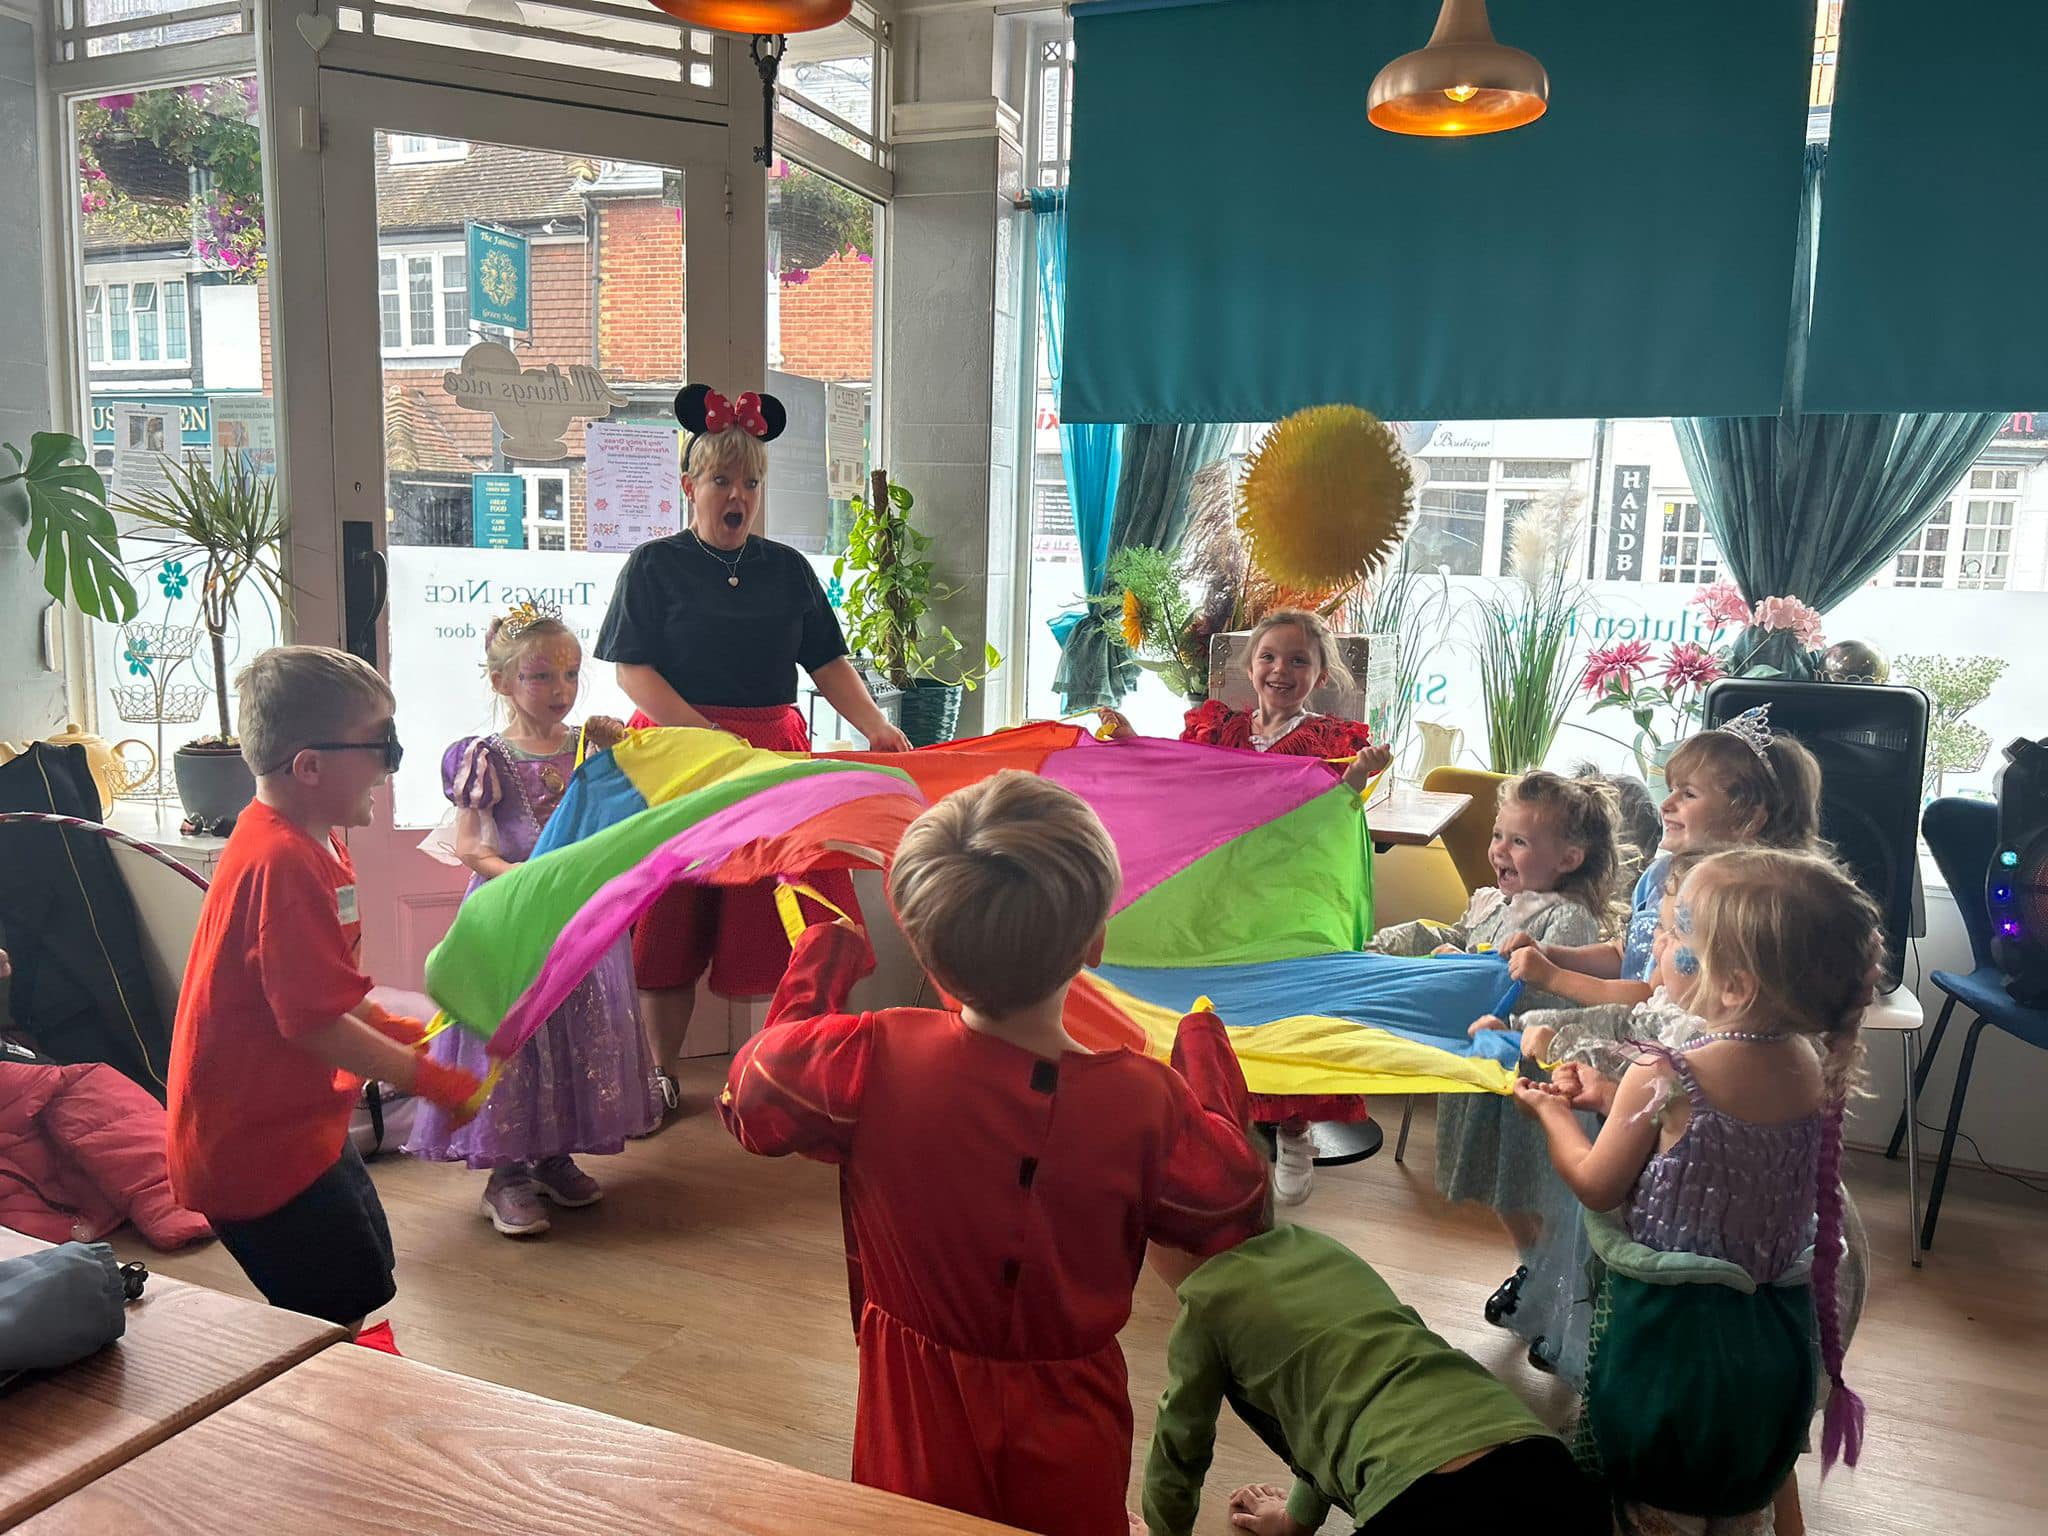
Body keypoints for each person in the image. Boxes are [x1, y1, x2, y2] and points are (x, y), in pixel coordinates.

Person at [718, 771, 1269, 1536]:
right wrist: (1204, 1051)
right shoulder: (1150, 1102)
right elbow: (1232, 1198)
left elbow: (753, 1091)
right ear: (1095, 942)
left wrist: (823, 958)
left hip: (913, 1412)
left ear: (922, 947)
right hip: (1072, 1416)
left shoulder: (866, 1059)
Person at [1513, 846, 1878, 1535]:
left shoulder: (1665, 1075)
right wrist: (1610, 1098)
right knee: (1733, 1502)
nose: (1657, 940)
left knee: (1657, 1506)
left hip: (1671, 1350)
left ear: (1733, 986)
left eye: (1676, 930)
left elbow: (1596, 1184)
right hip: (1765, 1346)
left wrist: (1553, 1115)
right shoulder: (1807, 1063)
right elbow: (1705, 1137)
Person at [595, 383, 912, 1115]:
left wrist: (874, 725)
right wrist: (706, 738)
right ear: (690, 486)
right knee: (670, 924)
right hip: (679, 759)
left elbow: (826, 661)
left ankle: (779, 1075)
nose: (737, 495)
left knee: (790, 921)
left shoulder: (787, 569)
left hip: (770, 760)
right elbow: (632, 669)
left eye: (750, 482)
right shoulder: (652, 566)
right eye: (721, 480)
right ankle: (660, 1076)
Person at [1483, 710, 1827, 1372]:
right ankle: (1560, 1297)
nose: (1666, 804)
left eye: (1688, 793)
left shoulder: (1733, 911)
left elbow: (1657, 991)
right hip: (1641, 1055)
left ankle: (1591, 1322)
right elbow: (1630, 954)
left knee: (1627, 1189)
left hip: (1658, 1047)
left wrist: (1553, 980)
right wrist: (1557, 956)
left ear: (1749, 816)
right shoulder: (1663, 877)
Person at [165, 646, 482, 1328]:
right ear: (309, 767)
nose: (391, 764)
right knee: (332, 1303)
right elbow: (311, 1023)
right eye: (380, 746)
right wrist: (431, 1080)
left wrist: (396, 1028)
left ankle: (361, 1376)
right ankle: (338, 1390)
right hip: (252, 1144)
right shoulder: (282, 862)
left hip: (301, 1121)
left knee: (369, 1271)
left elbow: (320, 985)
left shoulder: (315, 843)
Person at [1103, 608, 1393, 1200]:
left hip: (1291, 901)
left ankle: (1295, 1129)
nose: (1280, 670)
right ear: (1249, 665)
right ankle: (1216, 1126)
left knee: (1287, 1009)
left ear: (1320, 675)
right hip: (1220, 899)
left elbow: (1334, 810)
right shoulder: (1216, 729)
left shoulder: (1334, 741)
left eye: (1298, 660)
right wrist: (1131, 744)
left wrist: (1358, 776)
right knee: (1219, 1010)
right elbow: (1178, 776)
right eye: (1269, 657)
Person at [406, 604, 660, 1235]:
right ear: (502, 682)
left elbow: (617, 819)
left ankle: (553, 1155)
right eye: (541, 676)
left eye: (570, 675)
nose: (560, 690)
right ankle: (506, 1173)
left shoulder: (588, 746)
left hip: (576, 916)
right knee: (516, 1035)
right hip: (513, 911)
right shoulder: (485, 755)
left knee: (576, 1032)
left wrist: (617, 758)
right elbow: (471, 845)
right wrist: (521, 880)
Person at [1140, 1221, 1606, 1536]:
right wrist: (1295, 1521)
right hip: (1539, 1460)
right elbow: (1333, 1407)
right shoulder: (1317, 1248)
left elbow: (1178, 1452)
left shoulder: (1204, 1307)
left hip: (1426, 1503)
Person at [1372, 772, 1619, 1246]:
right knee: (1496, 1190)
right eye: (1497, 835)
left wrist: (1472, 975)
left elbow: (1553, 996)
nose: (1500, 850)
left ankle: (1541, 1267)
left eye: (1519, 841)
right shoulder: (1493, 901)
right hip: (1480, 1061)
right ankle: (1528, 1265)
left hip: (1527, 1077)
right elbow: (1459, 937)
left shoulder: (1567, 918)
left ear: (1569, 859)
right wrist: (1397, 945)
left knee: (1526, 1189)